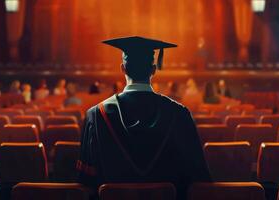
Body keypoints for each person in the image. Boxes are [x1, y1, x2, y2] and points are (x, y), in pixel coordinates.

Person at [77, 36, 211, 199]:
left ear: (123, 68)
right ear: (153, 70)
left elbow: (86, 183)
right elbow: (198, 180)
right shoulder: (179, 114)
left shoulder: (96, 115)